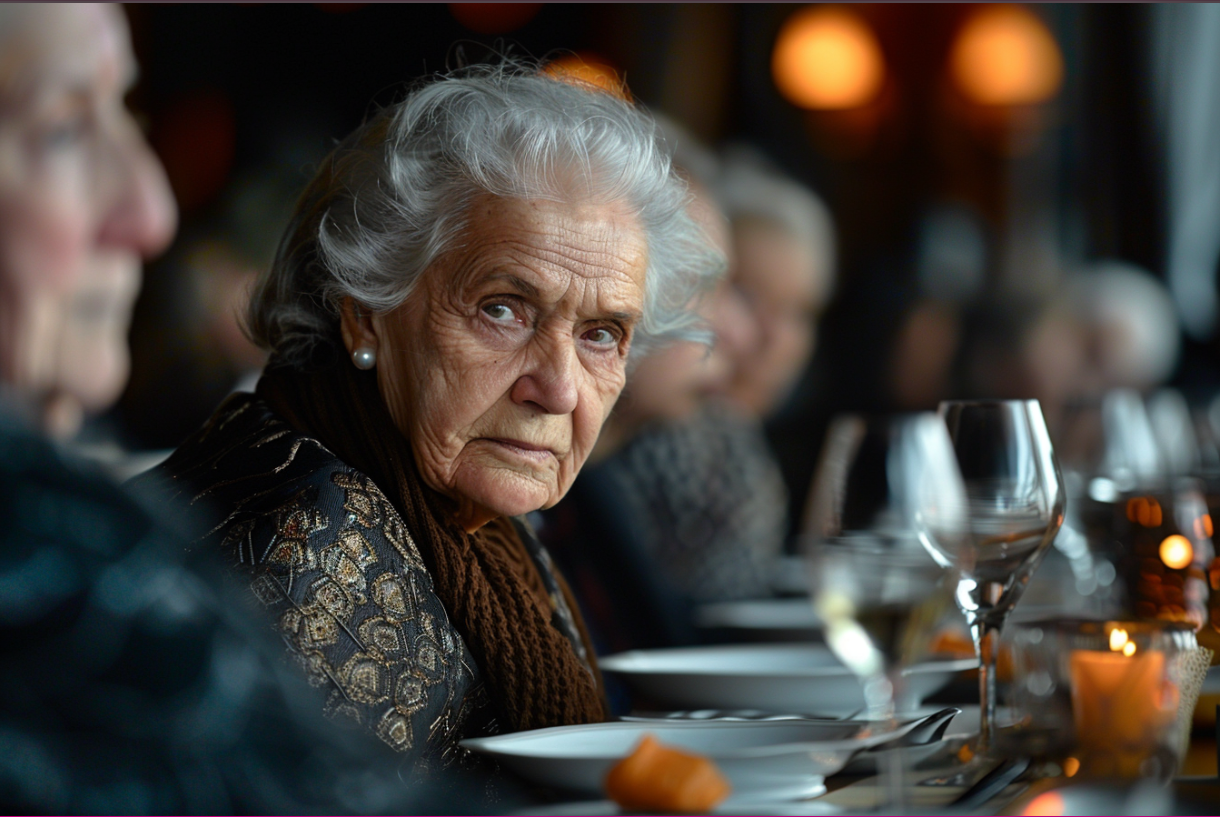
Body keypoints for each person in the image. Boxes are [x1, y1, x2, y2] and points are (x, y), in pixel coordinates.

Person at [136, 62, 724, 768]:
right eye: (502, 309)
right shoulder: (308, 549)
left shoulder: (460, 516)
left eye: (601, 333)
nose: (560, 388)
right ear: (367, 314)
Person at [1, 6, 485, 812]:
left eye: (606, 330)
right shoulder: (305, 521)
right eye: (60, 128)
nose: (151, 212)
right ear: (366, 313)